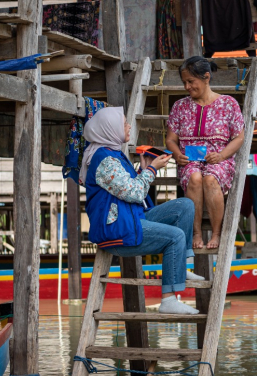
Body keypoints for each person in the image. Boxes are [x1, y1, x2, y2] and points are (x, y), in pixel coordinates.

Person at [81, 107, 203, 315]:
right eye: (124, 123)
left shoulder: (113, 153)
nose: (128, 126)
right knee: (176, 236)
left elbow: (124, 187)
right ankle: (168, 300)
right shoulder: (105, 160)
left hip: (130, 219)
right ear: (110, 129)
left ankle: (180, 267)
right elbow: (134, 193)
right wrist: (152, 169)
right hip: (118, 231)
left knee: (185, 205)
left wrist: (142, 170)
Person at [166, 56, 246, 250]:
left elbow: (239, 138)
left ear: (206, 77)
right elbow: (170, 139)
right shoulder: (179, 106)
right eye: (184, 82)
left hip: (219, 159)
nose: (187, 86)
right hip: (189, 160)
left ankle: (217, 233)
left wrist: (221, 156)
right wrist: (177, 155)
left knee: (210, 178)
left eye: (191, 81)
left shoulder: (228, 104)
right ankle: (196, 232)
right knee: (194, 178)